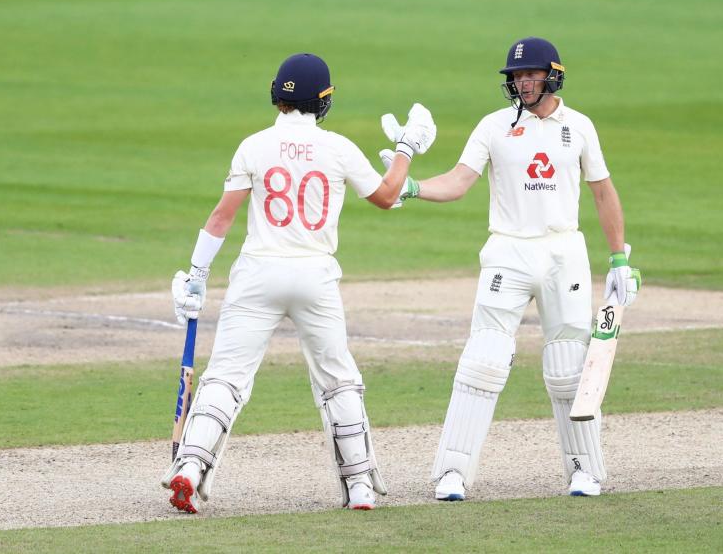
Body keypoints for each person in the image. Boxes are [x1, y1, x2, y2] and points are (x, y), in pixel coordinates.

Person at [161, 53, 436, 513]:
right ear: (323, 101)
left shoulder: (253, 145)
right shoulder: (338, 148)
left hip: (257, 273)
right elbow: (389, 196)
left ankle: (189, 467)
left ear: (277, 94)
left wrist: (197, 275)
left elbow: (221, 216)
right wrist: (406, 149)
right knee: (337, 380)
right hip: (315, 275)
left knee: (226, 376)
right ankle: (360, 487)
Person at [390, 37, 640, 500]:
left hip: (564, 250)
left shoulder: (579, 126)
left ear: (553, 76)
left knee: (568, 366)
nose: (522, 82)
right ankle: (453, 473)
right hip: (508, 249)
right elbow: (460, 180)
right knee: (483, 360)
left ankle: (584, 471)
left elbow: (603, 192)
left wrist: (619, 258)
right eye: (516, 76)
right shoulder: (493, 126)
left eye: (530, 74)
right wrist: (413, 187)